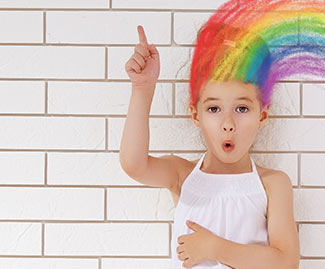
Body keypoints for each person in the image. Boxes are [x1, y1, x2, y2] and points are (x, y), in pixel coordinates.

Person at [118, 25, 299, 269]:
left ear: (262, 115)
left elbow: (286, 262)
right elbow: (133, 165)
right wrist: (143, 88)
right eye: (214, 109)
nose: (228, 124)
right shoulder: (183, 175)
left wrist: (214, 247)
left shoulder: (273, 184)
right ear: (196, 114)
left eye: (242, 109)